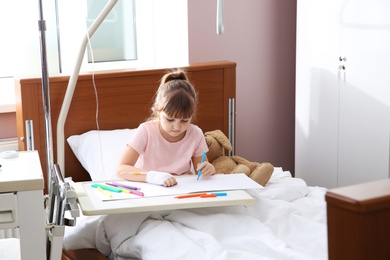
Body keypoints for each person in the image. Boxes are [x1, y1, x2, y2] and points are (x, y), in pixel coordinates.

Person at [116, 68, 215, 187]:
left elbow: (201, 169)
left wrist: (208, 169)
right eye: (170, 119)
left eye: (184, 120)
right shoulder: (146, 131)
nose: (177, 127)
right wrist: (154, 176)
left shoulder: (196, 134)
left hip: (182, 188)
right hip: (151, 186)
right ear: (157, 110)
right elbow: (121, 169)